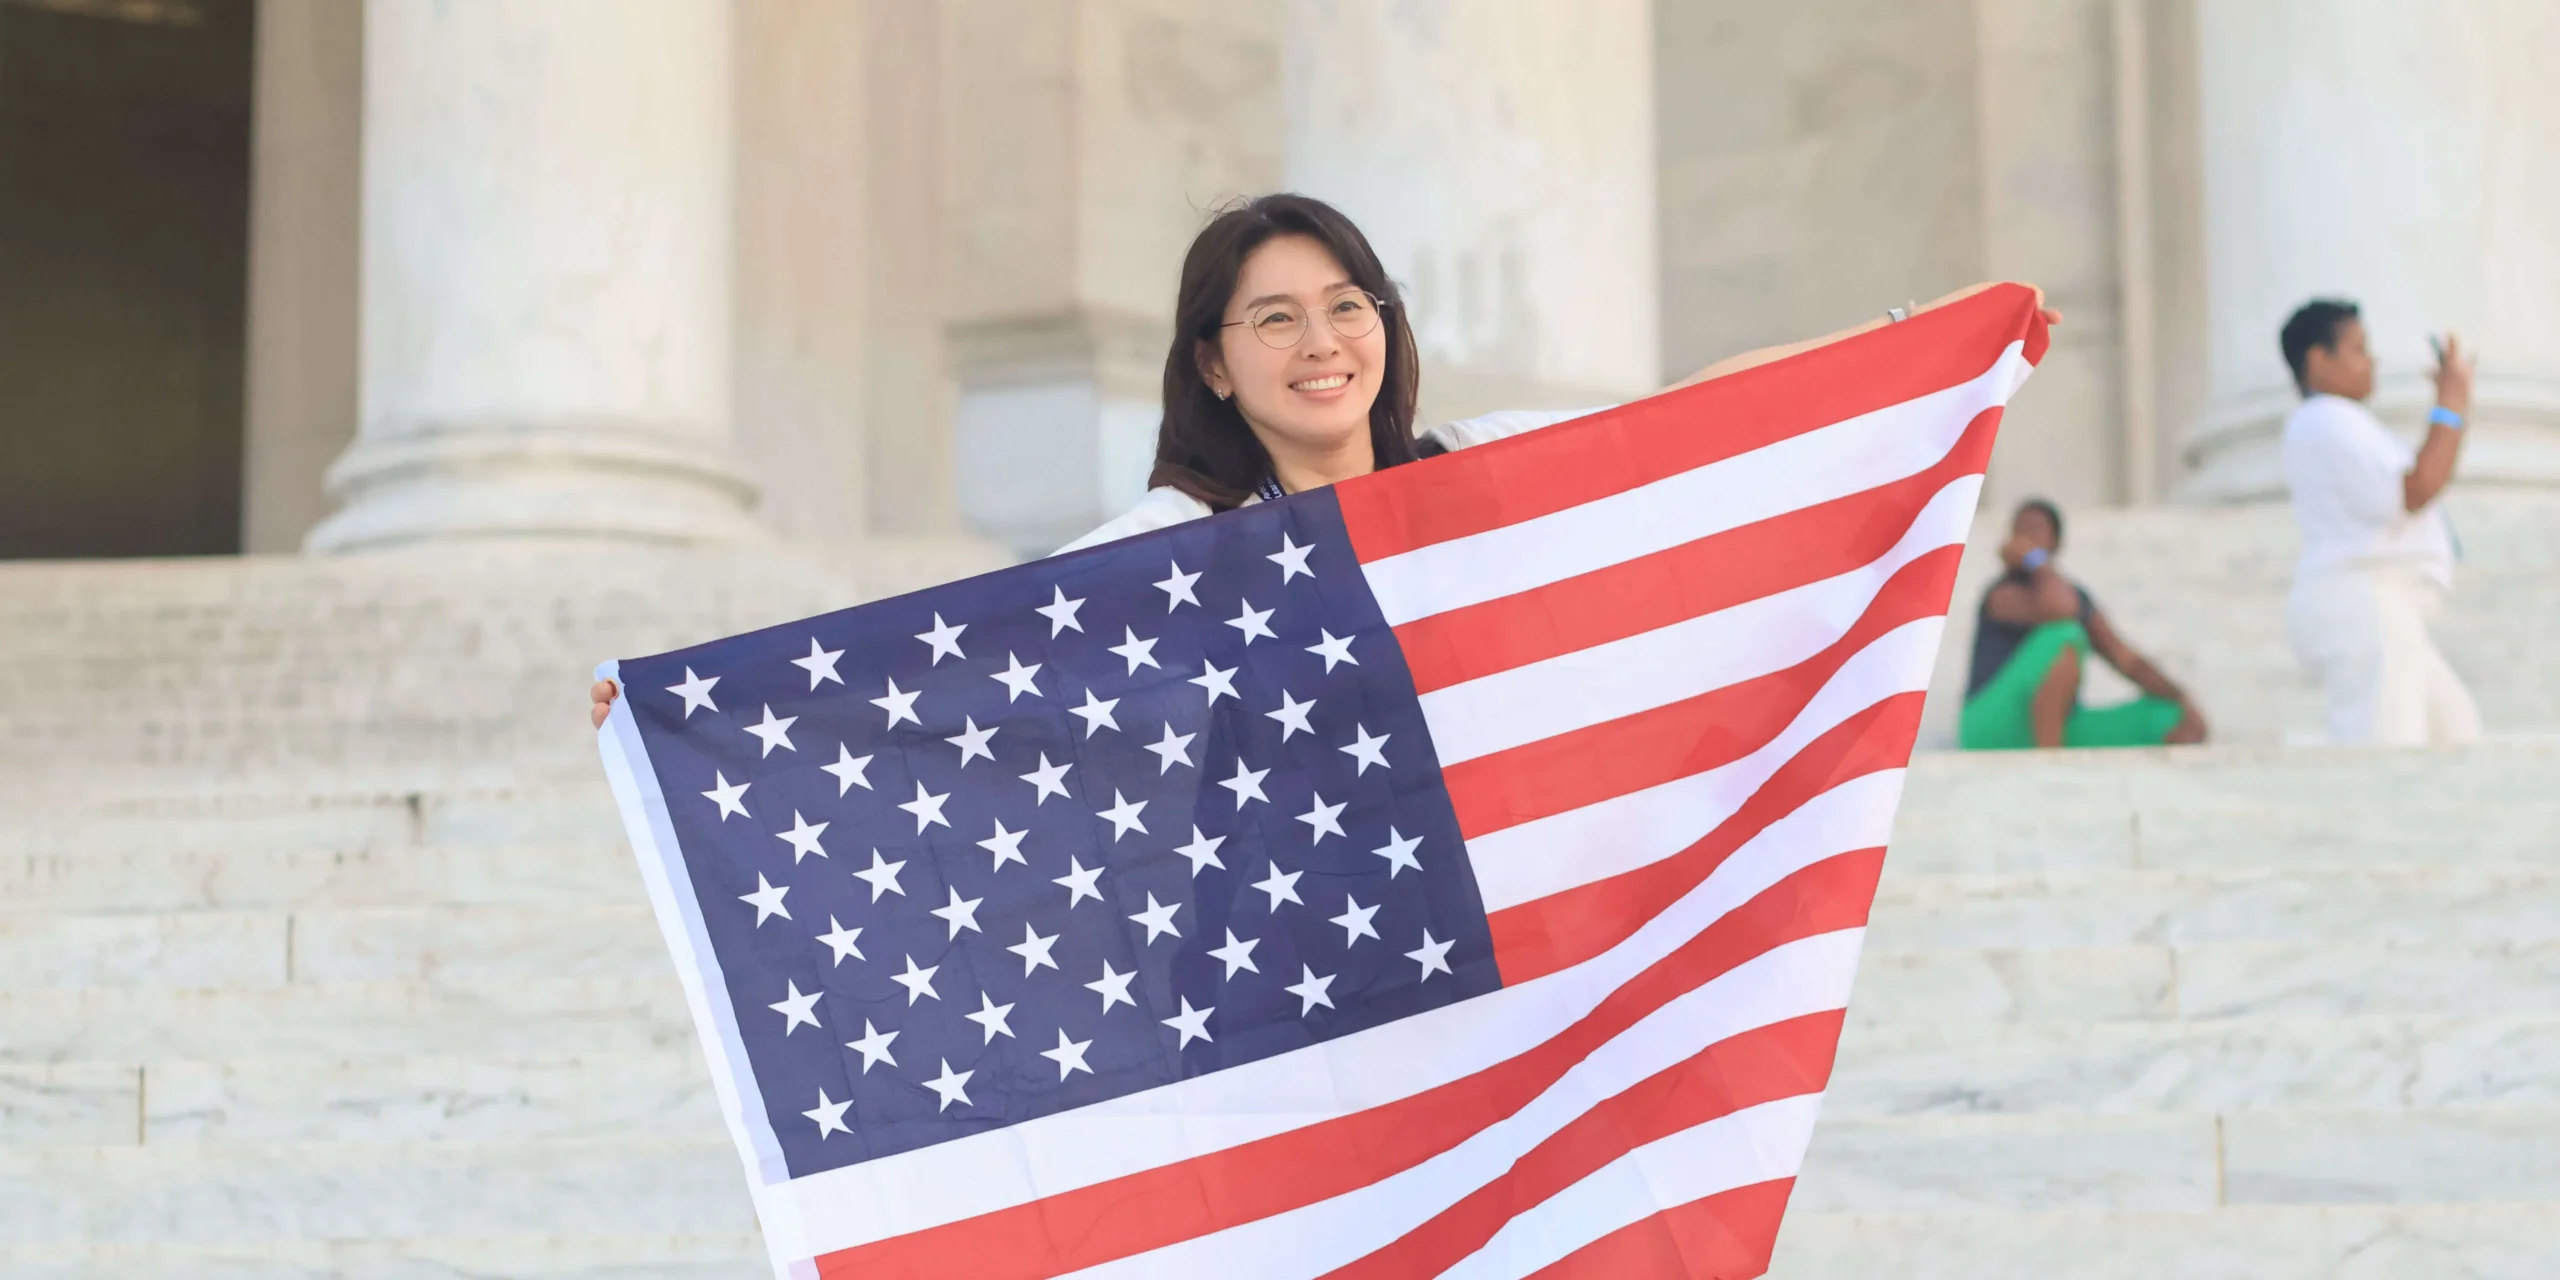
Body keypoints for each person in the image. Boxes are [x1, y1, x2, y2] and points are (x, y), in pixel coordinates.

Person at [593, 193, 2058, 726]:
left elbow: (1686, 425)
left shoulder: (1475, 467)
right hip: (1289, 953)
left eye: (1345, 305)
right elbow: (961, 650)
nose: (1321, 342)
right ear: (1215, 361)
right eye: (1274, 317)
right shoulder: (1173, 536)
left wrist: (1905, 341)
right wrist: (699, 703)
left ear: (1384, 326)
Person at [2277, 299, 2481, 746]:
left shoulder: (2338, 423)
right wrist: (2450, 403)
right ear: (2319, 359)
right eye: (2358, 349)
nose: (2372, 362)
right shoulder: (2327, 418)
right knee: (2389, 749)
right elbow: (2416, 488)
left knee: (2455, 731)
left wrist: (2453, 403)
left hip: (2380, 602)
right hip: (2362, 599)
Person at [1958, 498, 2205, 750]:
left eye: (2034, 529)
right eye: (2018, 530)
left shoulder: (2073, 596)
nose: (2024, 537)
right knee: (2065, 636)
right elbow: (2058, 610)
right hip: (1991, 726)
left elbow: (2126, 659)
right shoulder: (2001, 593)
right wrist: (2035, 561)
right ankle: (2050, 765)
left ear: (2055, 543)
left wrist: (2182, 698)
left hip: (2054, 726)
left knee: (2166, 716)